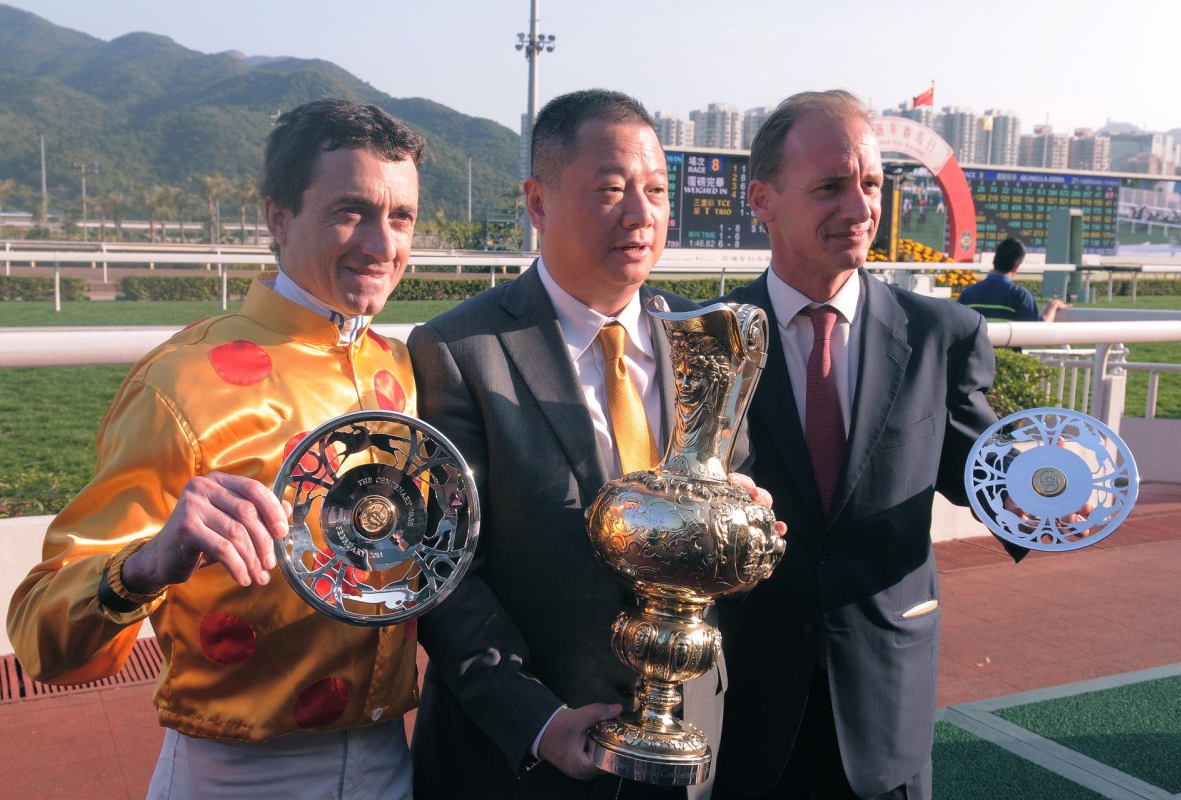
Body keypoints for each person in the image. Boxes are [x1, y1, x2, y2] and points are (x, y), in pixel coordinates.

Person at [7, 98, 426, 799]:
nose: (383, 245)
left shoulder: (407, 370)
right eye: (352, 211)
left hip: (390, 757)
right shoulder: (182, 381)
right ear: (278, 217)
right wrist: (144, 565)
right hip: (237, 773)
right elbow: (36, 631)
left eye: (402, 216)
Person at [407, 88, 769, 800]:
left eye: (656, 191)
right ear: (538, 203)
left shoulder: (708, 345)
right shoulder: (459, 351)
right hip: (522, 758)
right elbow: (443, 575)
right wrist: (539, 722)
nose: (641, 214)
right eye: (611, 189)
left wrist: (747, 522)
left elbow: (735, 485)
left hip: (684, 740)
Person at [711, 90, 1025, 799]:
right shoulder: (705, 341)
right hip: (744, 710)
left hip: (888, 711)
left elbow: (991, 477)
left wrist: (1055, 490)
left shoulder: (942, 337)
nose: (859, 208)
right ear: (762, 199)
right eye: (830, 186)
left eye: (872, 184)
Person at [958, 236, 1069, 322]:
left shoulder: (968, 293)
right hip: (1007, 351)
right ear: (1016, 268)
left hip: (975, 351)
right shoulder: (1020, 295)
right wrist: (1052, 306)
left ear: (994, 260)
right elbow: (1038, 330)